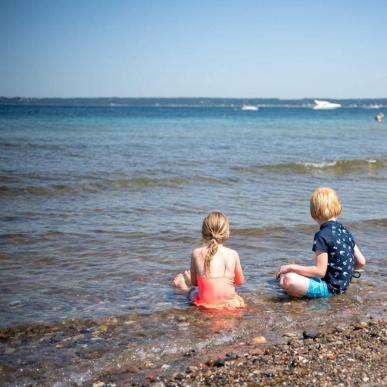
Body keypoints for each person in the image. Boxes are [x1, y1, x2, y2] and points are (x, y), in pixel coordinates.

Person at [276, 187, 366, 298]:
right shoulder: (344, 231)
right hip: (343, 286)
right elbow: (361, 261)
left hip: (330, 289)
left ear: (314, 211)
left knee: (287, 279)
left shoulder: (322, 235)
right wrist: (343, 274)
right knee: (290, 276)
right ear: (338, 207)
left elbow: (320, 272)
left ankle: (301, 295)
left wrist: (291, 267)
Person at [173, 211, 246, 309]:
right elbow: (240, 281)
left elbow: (194, 283)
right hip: (229, 306)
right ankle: (203, 281)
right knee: (237, 298)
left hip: (206, 305)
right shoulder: (233, 254)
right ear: (226, 233)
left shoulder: (196, 253)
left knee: (193, 291)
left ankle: (183, 288)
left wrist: (197, 279)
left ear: (203, 232)